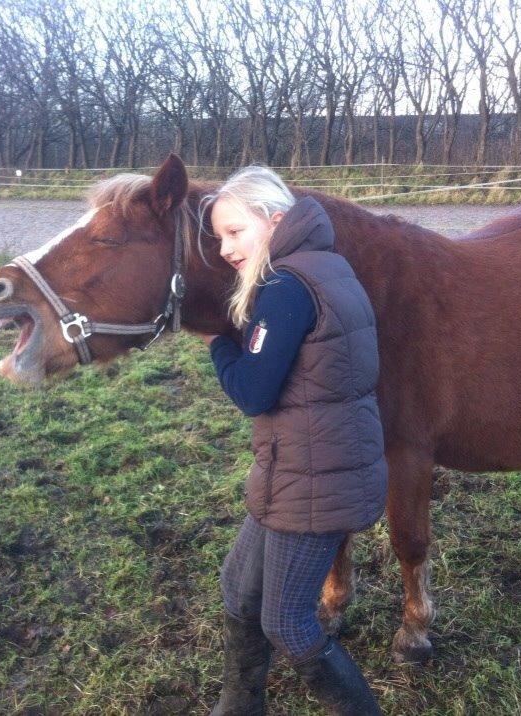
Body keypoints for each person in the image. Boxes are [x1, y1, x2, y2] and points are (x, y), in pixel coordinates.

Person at [197, 165, 388, 715]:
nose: (227, 248)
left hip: (315, 474)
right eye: (218, 236)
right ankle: (239, 706)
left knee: (285, 621)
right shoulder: (328, 265)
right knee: (240, 587)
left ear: (275, 220)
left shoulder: (285, 285)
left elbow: (253, 392)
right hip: (302, 463)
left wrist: (218, 342)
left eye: (236, 231)